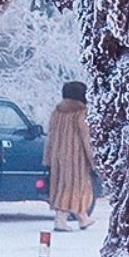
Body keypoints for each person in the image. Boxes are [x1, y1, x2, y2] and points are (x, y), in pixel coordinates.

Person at [43, 81, 97, 231]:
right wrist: (93, 159)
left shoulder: (57, 112)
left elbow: (50, 136)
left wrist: (48, 158)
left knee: (64, 186)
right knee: (76, 188)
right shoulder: (81, 112)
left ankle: (83, 218)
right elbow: (87, 137)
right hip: (76, 158)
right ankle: (61, 219)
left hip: (58, 157)